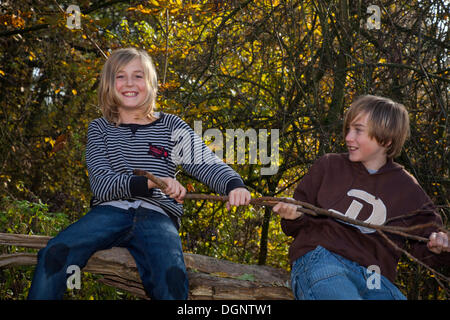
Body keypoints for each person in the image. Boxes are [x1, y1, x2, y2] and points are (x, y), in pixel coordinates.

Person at [28, 47, 251, 300]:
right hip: (108, 213)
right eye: (120, 76)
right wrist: (151, 183)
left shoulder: (171, 125)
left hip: (158, 217)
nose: (129, 83)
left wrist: (234, 185)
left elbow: (205, 162)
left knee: (172, 280)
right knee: (55, 253)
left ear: (151, 83)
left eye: (138, 76)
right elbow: (101, 184)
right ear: (108, 84)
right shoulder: (100, 129)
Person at [273, 95, 450, 300]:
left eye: (358, 130)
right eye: (348, 129)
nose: (348, 137)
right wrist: (293, 217)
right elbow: (293, 228)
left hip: (376, 278)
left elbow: (427, 248)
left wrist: (440, 245)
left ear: (385, 138)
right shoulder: (328, 166)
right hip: (321, 259)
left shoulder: (408, 191)